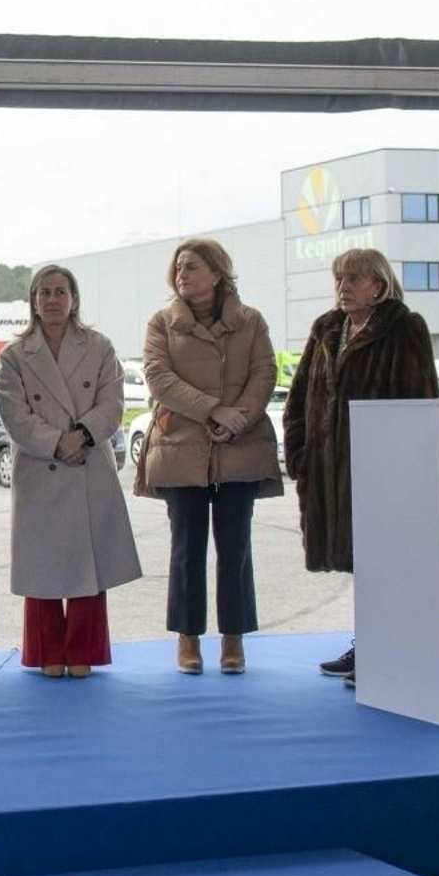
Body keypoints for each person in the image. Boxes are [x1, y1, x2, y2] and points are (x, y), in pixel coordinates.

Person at [283, 248, 437, 688]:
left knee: (384, 565)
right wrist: (300, 458)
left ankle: (383, 652)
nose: (343, 287)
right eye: (339, 279)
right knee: (359, 564)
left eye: (353, 278)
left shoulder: (405, 328)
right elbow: (298, 399)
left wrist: (402, 469)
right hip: (327, 472)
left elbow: (420, 403)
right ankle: (366, 646)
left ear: (378, 285)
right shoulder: (327, 329)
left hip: (380, 474)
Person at [136, 237, 282, 675]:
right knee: (186, 549)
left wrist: (238, 418)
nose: (182, 275)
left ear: (217, 274)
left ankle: (234, 638)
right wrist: (213, 409)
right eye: (179, 267)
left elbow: (264, 372)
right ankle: (188, 639)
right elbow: (158, 378)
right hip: (180, 449)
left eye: (192, 267)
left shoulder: (251, 321)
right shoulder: (161, 323)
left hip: (240, 445)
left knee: (235, 548)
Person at [0, 266, 142, 678]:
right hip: (40, 467)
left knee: (87, 567)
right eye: (44, 292)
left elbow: (112, 404)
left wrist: (81, 435)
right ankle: (46, 652)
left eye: (60, 292)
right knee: (42, 567)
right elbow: (13, 414)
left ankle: (83, 651)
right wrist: (57, 443)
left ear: (74, 299)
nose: (52, 299)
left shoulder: (100, 347)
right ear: (33, 302)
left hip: (88, 465)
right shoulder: (14, 355)